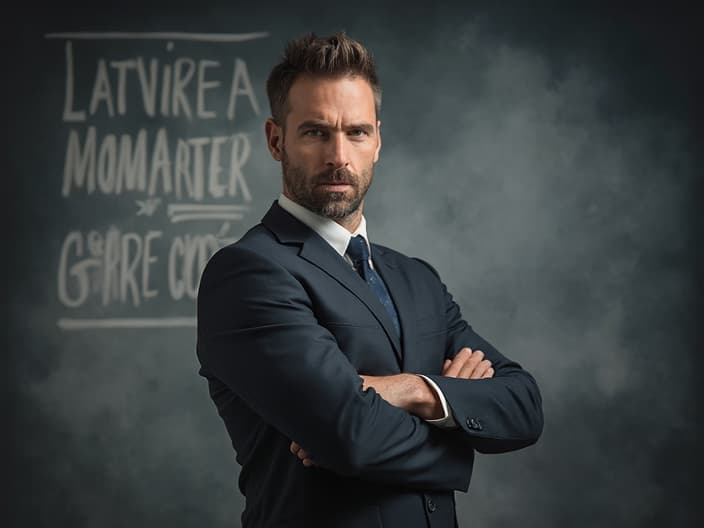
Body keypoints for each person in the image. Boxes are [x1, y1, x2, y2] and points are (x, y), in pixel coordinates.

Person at [196, 32, 543, 528]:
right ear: (277, 140)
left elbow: (524, 405)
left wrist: (411, 389)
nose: (339, 155)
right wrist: (458, 439)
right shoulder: (249, 273)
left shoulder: (417, 279)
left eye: (356, 132)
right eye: (316, 132)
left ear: (377, 140)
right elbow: (351, 436)